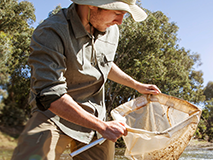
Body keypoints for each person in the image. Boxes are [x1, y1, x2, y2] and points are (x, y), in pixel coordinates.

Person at [11, 0, 161, 160]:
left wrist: (136, 85)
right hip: (53, 114)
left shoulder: (112, 30)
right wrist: (102, 126)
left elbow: (104, 63)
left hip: (95, 115)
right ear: (92, 5)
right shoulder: (50, 32)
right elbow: (51, 95)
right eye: (117, 13)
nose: (120, 21)